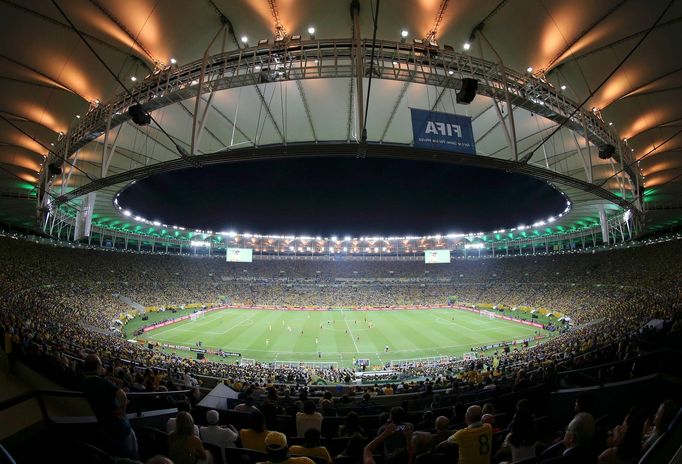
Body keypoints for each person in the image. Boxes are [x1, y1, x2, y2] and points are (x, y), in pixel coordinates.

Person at [81, 354, 138, 460]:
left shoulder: (85, 382)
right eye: (101, 365)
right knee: (131, 456)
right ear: (98, 366)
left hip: (106, 425)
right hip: (120, 427)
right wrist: (122, 409)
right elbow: (122, 395)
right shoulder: (101, 382)